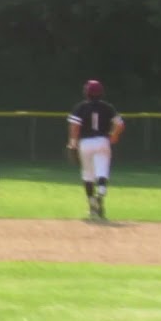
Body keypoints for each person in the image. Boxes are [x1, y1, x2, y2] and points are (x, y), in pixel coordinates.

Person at [66, 79, 125, 219]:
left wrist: (72, 144)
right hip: (102, 141)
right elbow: (120, 125)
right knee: (102, 171)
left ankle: (92, 207)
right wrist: (114, 135)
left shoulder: (80, 107)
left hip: (85, 143)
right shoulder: (107, 107)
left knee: (88, 174)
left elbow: (75, 127)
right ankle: (101, 194)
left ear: (86, 92)